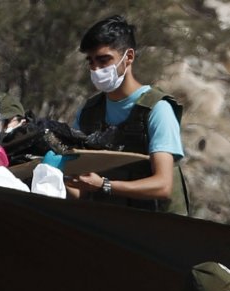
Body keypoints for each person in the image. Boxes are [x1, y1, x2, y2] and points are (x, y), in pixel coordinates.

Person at [68, 15, 189, 214]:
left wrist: (104, 185)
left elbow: (163, 185)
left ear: (129, 57)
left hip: (147, 233)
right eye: (90, 61)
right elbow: (79, 188)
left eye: (104, 60)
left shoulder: (157, 110)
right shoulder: (89, 112)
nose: (96, 69)